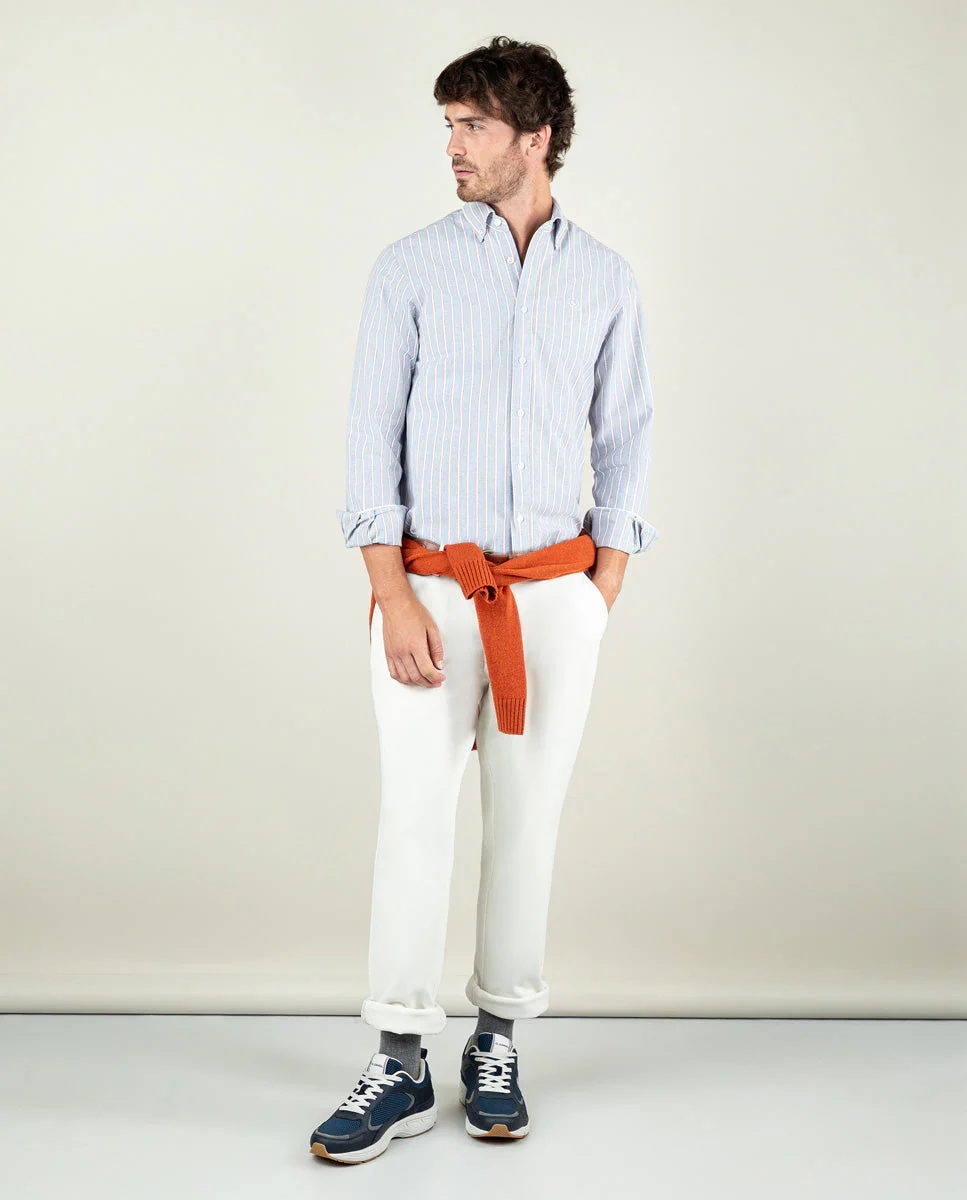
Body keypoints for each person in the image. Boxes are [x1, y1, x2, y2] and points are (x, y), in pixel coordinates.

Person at [310, 34, 658, 1164]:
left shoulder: (604, 279)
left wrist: (600, 590)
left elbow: (626, 434)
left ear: (535, 138)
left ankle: (497, 1040)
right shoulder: (409, 268)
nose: (453, 146)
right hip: (428, 590)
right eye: (449, 125)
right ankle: (400, 1060)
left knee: (528, 820)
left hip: (553, 598)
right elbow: (368, 436)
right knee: (414, 818)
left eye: (473, 125)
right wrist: (391, 589)